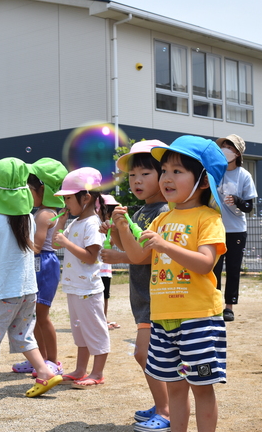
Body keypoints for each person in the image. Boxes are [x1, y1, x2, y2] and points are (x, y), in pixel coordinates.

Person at [115, 135, 228, 432]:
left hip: (198, 319)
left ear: (203, 181)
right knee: (175, 388)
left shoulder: (209, 218)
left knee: (202, 387)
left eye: (177, 171)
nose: (166, 177)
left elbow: (205, 263)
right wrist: (123, 227)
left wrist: (165, 246)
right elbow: (138, 254)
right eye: (164, 170)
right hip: (163, 318)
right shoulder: (162, 219)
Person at [0, 158, 63, 401]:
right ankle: (45, 371)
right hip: (27, 290)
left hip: (1, 293)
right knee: (23, 334)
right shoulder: (28, 217)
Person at [102, 139, 170, 429]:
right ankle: (163, 402)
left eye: (145, 174)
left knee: (144, 354)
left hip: (157, 298)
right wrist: (116, 229)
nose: (137, 181)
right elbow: (129, 244)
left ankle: (166, 411)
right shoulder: (142, 211)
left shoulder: (162, 212)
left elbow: (142, 256)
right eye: (132, 176)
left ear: (163, 175)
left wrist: (117, 254)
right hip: (142, 298)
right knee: (149, 356)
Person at [52, 167, 110, 389]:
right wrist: (60, 223)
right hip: (75, 287)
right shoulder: (75, 222)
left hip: (88, 289)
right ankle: (80, 369)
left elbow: (90, 257)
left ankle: (98, 373)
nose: (65, 203)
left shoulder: (92, 224)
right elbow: (53, 243)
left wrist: (67, 243)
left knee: (95, 331)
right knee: (80, 332)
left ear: (85, 198)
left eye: (68, 198)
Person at [10, 157, 68, 378]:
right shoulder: (45, 211)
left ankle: (53, 361)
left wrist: (15, 240)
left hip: (43, 264)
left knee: (41, 316)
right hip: (41, 264)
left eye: (29, 190)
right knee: (34, 315)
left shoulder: (44, 214)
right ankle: (41, 360)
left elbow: (35, 247)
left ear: (42, 189)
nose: (26, 194)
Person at [213, 134, 257, 322]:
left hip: (236, 230)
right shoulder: (215, 172)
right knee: (213, 267)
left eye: (229, 147)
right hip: (214, 228)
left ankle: (229, 306)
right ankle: (212, 304)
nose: (225, 150)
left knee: (233, 268)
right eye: (223, 146)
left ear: (237, 153)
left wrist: (238, 200)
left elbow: (249, 206)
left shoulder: (244, 175)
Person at [98, 194, 121, 330]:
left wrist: (113, 232)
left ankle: (104, 319)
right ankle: (100, 321)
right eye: (109, 210)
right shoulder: (95, 224)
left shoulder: (109, 226)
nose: (111, 214)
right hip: (97, 268)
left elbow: (111, 244)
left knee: (105, 296)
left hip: (105, 268)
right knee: (99, 296)